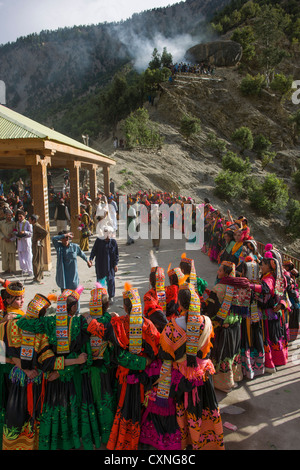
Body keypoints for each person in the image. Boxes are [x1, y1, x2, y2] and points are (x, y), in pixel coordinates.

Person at [143, 281, 224, 450]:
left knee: (186, 411)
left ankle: (188, 442)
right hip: (203, 375)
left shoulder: (172, 327)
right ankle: (209, 442)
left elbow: (164, 354)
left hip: (183, 378)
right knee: (207, 407)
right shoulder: (207, 322)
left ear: (179, 303)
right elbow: (209, 349)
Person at [16, 289, 92, 450]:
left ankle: (54, 442)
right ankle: (72, 442)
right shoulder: (78, 324)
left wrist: (37, 306)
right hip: (71, 373)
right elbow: (83, 356)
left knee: (54, 408)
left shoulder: (49, 322)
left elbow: (22, 323)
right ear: (73, 307)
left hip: (52, 372)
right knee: (72, 407)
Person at [105, 282, 160, 450]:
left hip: (126, 377)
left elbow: (117, 356)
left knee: (126, 407)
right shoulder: (148, 325)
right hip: (145, 377)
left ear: (124, 306)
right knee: (143, 407)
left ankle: (126, 439)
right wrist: (145, 362)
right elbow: (156, 351)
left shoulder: (118, 324)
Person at [203, 261, 251, 392]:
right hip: (236, 326)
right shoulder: (240, 286)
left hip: (223, 327)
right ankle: (236, 376)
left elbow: (212, 310)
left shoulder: (219, 288)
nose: (217, 273)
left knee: (222, 354)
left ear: (226, 273)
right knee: (233, 352)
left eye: (220, 271)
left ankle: (224, 384)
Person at [249, 250, 288, 372]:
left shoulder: (269, 278)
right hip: (273, 313)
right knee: (273, 336)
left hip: (268, 314)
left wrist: (249, 285)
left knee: (268, 337)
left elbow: (266, 289)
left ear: (270, 265)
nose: (260, 266)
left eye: (262, 264)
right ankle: (276, 360)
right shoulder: (269, 276)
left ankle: (270, 362)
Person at [89, 227, 119, 302]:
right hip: (100, 265)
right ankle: (101, 297)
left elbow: (116, 254)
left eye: (109, 233)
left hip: (110, 266)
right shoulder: (99, 241)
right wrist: (90, 259)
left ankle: (111, 296)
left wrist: (115, 264)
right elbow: (93, 251)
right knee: (100, 281)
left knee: (111, 281)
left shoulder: (113, 242)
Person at [29, 214, 48, 284]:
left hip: (37, 245)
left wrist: (40, 239)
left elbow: (45, 232)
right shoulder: (34, 226)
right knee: (38, 260)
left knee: (36, 261)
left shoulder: (36, 226)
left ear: (33, 220)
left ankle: (37, 278)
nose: (29, 220)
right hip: (35, 245)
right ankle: (40, 275)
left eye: (30, 219)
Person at [14, 210, 33, 276]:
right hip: (20, 240)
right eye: (18, 217)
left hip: (26, 240)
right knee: (21, 256)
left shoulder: (28, 223)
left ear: (24, 216)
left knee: (28, 255)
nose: (20, 218)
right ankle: (24, 269)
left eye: (21, 216)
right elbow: (15, 230)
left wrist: (24, 232)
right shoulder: (17, 223)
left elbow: (31, 233)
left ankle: (30, 270)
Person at [0, 209, 16, 274]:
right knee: (4, 256)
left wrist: (12, 234)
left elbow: (15, 231)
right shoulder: (1, 223)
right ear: (5, 216)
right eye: (8, 215)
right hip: (3, 242)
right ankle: (6, 269)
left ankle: (12, 270)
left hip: (11, 242)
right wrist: (3, 237)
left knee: (11, 256)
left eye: (10, 215)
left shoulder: (13, 223)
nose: (9, 217)